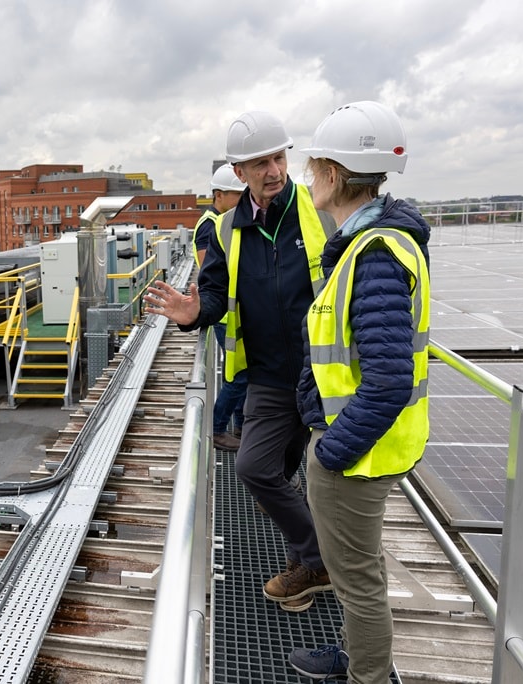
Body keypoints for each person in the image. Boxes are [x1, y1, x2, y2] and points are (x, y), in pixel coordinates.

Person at [145, 110, 335, 611]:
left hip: (326, 376)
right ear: (239, 172)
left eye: (278, 157)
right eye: (259, 163)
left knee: (312, 479)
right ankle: (320, 560)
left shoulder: (322, 212)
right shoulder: (228, 229)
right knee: (255, 468)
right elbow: (212, 296)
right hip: (269, 378)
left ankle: (309, 565)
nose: (273, 170)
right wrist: (192, 313)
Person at [286, 101, 431, 682]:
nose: (308, 177)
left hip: (358, 453)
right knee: (357, 567)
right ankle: (361, 657)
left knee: (357, 577)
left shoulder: (373, 255)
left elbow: (389, 378)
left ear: (337, 174)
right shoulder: (365, 244)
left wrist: (331, 452)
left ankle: (367, 674)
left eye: (314, 165)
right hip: (362, 446)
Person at [192, 164, 247, 452]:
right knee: (239, 376)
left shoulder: (226, 221)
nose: (242, 199)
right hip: (225, 315)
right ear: (219, 195)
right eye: (236, 194)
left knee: (240, 373)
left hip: (234, 313)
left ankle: (240, 426)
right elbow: (210, 270)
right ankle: (217, 428)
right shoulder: (210, 225)